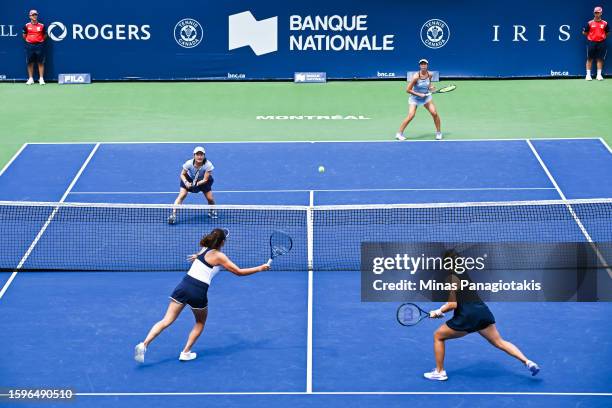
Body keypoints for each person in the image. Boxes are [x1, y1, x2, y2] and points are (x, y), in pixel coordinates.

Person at [134, 228, 270, 363]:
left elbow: (202, 259)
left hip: (183, 286)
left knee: (166, 320)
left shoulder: (203, 248)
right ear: (222, 242)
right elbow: (239, 272)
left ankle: (144, 344)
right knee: (200, 322)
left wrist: (196, 257)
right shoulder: (220, 256)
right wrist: (260, 268)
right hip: (198, 291)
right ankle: (185, 352)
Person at [423, 251, 540, 381]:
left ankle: (439, 372)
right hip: (481, 312)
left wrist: (438, 311)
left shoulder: (451, 277)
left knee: (438, 336)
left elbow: (452, 304)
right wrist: (442, 311)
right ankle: (527, 362)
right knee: (499, 341)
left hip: (467, 316)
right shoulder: (463, 273)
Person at [396, 59, 442, 141]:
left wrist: (431, 87)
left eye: (425, 64)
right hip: (415, 98)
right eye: (422, 64)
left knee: (434, 113)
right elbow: (408, 90)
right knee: (411, 115)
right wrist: (419, 94)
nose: (423, 65)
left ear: (427, 65)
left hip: (426, 97)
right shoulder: (416, 77)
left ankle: (438, 133)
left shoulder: (430, 74)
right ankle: (399, 133)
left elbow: (429, 84)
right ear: (420, 66)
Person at [168, 146, 216, 224]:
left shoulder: (208, 165)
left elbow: (205, 179)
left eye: (201, 154)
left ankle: (212, 211)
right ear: (194, 155)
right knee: (182, 195)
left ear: (204, 156)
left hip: (203, 181)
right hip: (189, 179)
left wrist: (196, 184)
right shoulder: (189, 163)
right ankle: (173, 215)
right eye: (197, 154)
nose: (199, 156)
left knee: (210, 198)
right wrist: (186, 182)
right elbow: (182, 174)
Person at [583, 6, 608, 81]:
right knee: (589, 58)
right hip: (592, 42)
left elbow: (607, 33)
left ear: (601, 13)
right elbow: (584, 32)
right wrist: (592, 37)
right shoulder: (589, 23)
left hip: (601, 43)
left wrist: (601, 37)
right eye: (595, 13)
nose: (597, 14)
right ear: (594, 13)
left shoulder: (605, 23)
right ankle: (588, 75)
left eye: (598, 12)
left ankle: (599, 75)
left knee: (600, 59)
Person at [22, 9, 47, 85]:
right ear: (30, 16)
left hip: (39, 45)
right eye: (33, 15)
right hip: (29, 45)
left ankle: (41, 78)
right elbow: (24, 36)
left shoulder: (42, 26)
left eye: (35, 14)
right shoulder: (26, 26)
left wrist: (40, 40)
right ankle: (30, 78)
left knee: (41, 62)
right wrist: (30, 40)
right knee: (30, 62)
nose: (34, 16)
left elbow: (45, 35)